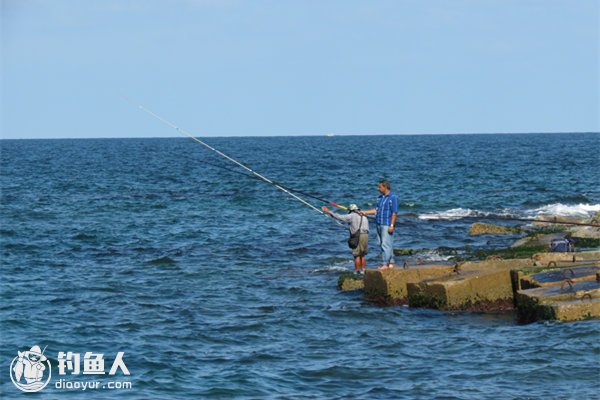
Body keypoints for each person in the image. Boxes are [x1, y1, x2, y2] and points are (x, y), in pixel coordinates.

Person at [322, 204, 369, 274]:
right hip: (366, 235)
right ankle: (364, 270)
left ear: (351, 211)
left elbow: (339, 217)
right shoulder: (364, 216)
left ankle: (357, 271)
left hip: (358, 236)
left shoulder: (352, 215)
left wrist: (328, 211)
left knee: (356, 255)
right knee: (362, 254)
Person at [362, 180, 398, 269]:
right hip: (378, 223)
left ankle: (385, 264)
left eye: (380, 187)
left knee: (385, 244)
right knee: (383, 243)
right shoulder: (379, 198)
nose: (378, 189)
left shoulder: (393, 197)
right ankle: (391, 262)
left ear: (386, 187)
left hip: (387, 223)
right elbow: (376, 210)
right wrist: (365, 212)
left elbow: (394, 213)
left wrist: (392, 225)